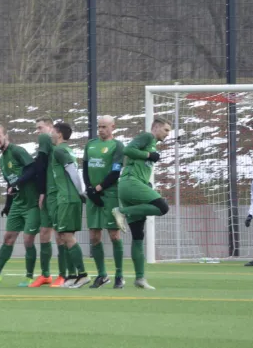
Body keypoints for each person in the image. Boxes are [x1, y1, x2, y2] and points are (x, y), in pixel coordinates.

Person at [0, 125, 40, 287]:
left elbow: (32, 169)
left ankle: (29, 277)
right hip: (17, 204)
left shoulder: (17, 151)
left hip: (32, 204)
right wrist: (7, 205)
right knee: (8, 238)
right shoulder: (1, 159)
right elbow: (10, 185)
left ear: (6, 136)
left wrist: (19, 184)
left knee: (28, 240)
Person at [112, 116, 171, 289]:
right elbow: (128, 149)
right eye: (166, 130)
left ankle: (139, 278)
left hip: (132, 187)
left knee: (138, 236)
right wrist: (149, 155)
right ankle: (122, 211)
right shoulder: (147, 137)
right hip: (130, 183)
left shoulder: (152, 143)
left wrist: (146, 183)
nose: (167, 134)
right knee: (162, 207)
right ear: (156, 127)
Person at [83, 115, 125, 289]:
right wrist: (89, 189)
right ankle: (102, 275)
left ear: (113, 127)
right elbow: (84, 168)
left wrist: (98, 188)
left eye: (104, 127)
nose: (100, 130)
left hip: (110, 195)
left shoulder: (117, 146)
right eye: (99, 126)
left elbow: (115, 172)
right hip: (93, 196)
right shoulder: (90, 144)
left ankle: (119, 275)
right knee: (94, 236)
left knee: (114, 235)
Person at [51, 122, 90, 288]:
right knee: (62, 236)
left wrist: (81, 192)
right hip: (65, 198)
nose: (51, 134)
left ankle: (82, 275)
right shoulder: (66, 149)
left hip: (68, 198)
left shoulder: (60, 150)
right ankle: (72, 276)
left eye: (53, 131)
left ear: (59, 134)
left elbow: (73, 170)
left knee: (67, 236)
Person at [30, 116, 67, 287]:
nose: (38, 132)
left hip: (55, 193)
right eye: (37, 129)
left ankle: (63, 275)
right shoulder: (48, 142)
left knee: (60, 234)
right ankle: (46, 274)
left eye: (40, 127)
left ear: (51, 128)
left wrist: (42, 191)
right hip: (48, 192)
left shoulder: (47, 139)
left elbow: (41, 165)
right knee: (45, 232)